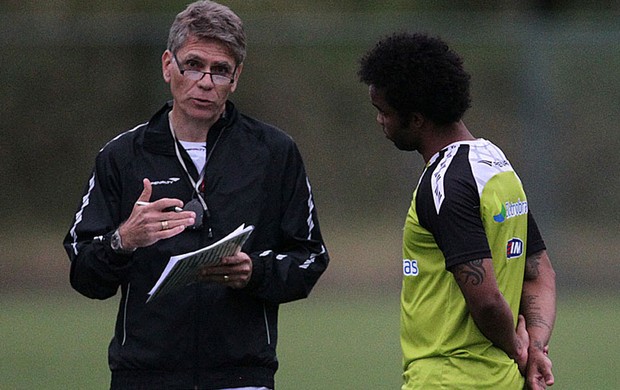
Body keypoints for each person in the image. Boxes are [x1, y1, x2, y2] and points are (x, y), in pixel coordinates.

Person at [63, 1, 329, 389]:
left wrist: (254, 272)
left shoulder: (273, 152)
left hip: (241, 375)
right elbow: (84, 275)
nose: (205, 81)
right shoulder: (122, 156)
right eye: (193, 64)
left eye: (220, 70)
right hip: (144, 375)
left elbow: (310, 258)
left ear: (236, 78)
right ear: (168, 65)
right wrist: (123, 240)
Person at [358, 32, 556, 389]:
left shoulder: (444, 185)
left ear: (416, 119)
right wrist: (536, 349)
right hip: (503, 381)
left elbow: (488, 303)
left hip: (445, 379)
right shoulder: (498, 166)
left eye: (384, 112)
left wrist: (519, 350)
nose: (380, 122)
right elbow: (540, 273)